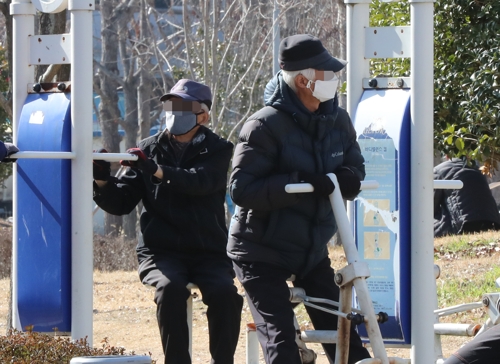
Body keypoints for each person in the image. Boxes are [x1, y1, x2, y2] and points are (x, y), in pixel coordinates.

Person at [228, 34, 371, 364]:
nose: (335, 80)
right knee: (282, 346)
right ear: (305, 81)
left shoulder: (338, 119)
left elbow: (354, 165)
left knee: (348, 341)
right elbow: (242, 189)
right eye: (328, 74)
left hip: (310, 251)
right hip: (259, 251)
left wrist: (348, 178)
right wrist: (300, 183)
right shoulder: (263, 125)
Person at [93, 79, 243, 364]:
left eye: (183, 106)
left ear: (203, 115)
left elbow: (201, 181)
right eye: (171, 105)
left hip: (207, 251)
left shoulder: (219, 149)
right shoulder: (147, 149)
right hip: (161, 252)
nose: (175, 112)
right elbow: (122, 202)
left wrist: (156, 170)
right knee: (170, 289)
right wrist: (102, 179)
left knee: (225, 294)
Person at [434, 157, 500, 237]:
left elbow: (431, 205)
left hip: (463, 224)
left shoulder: (439, 170)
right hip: (491, 220)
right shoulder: (477, 169)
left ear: (447, 155)